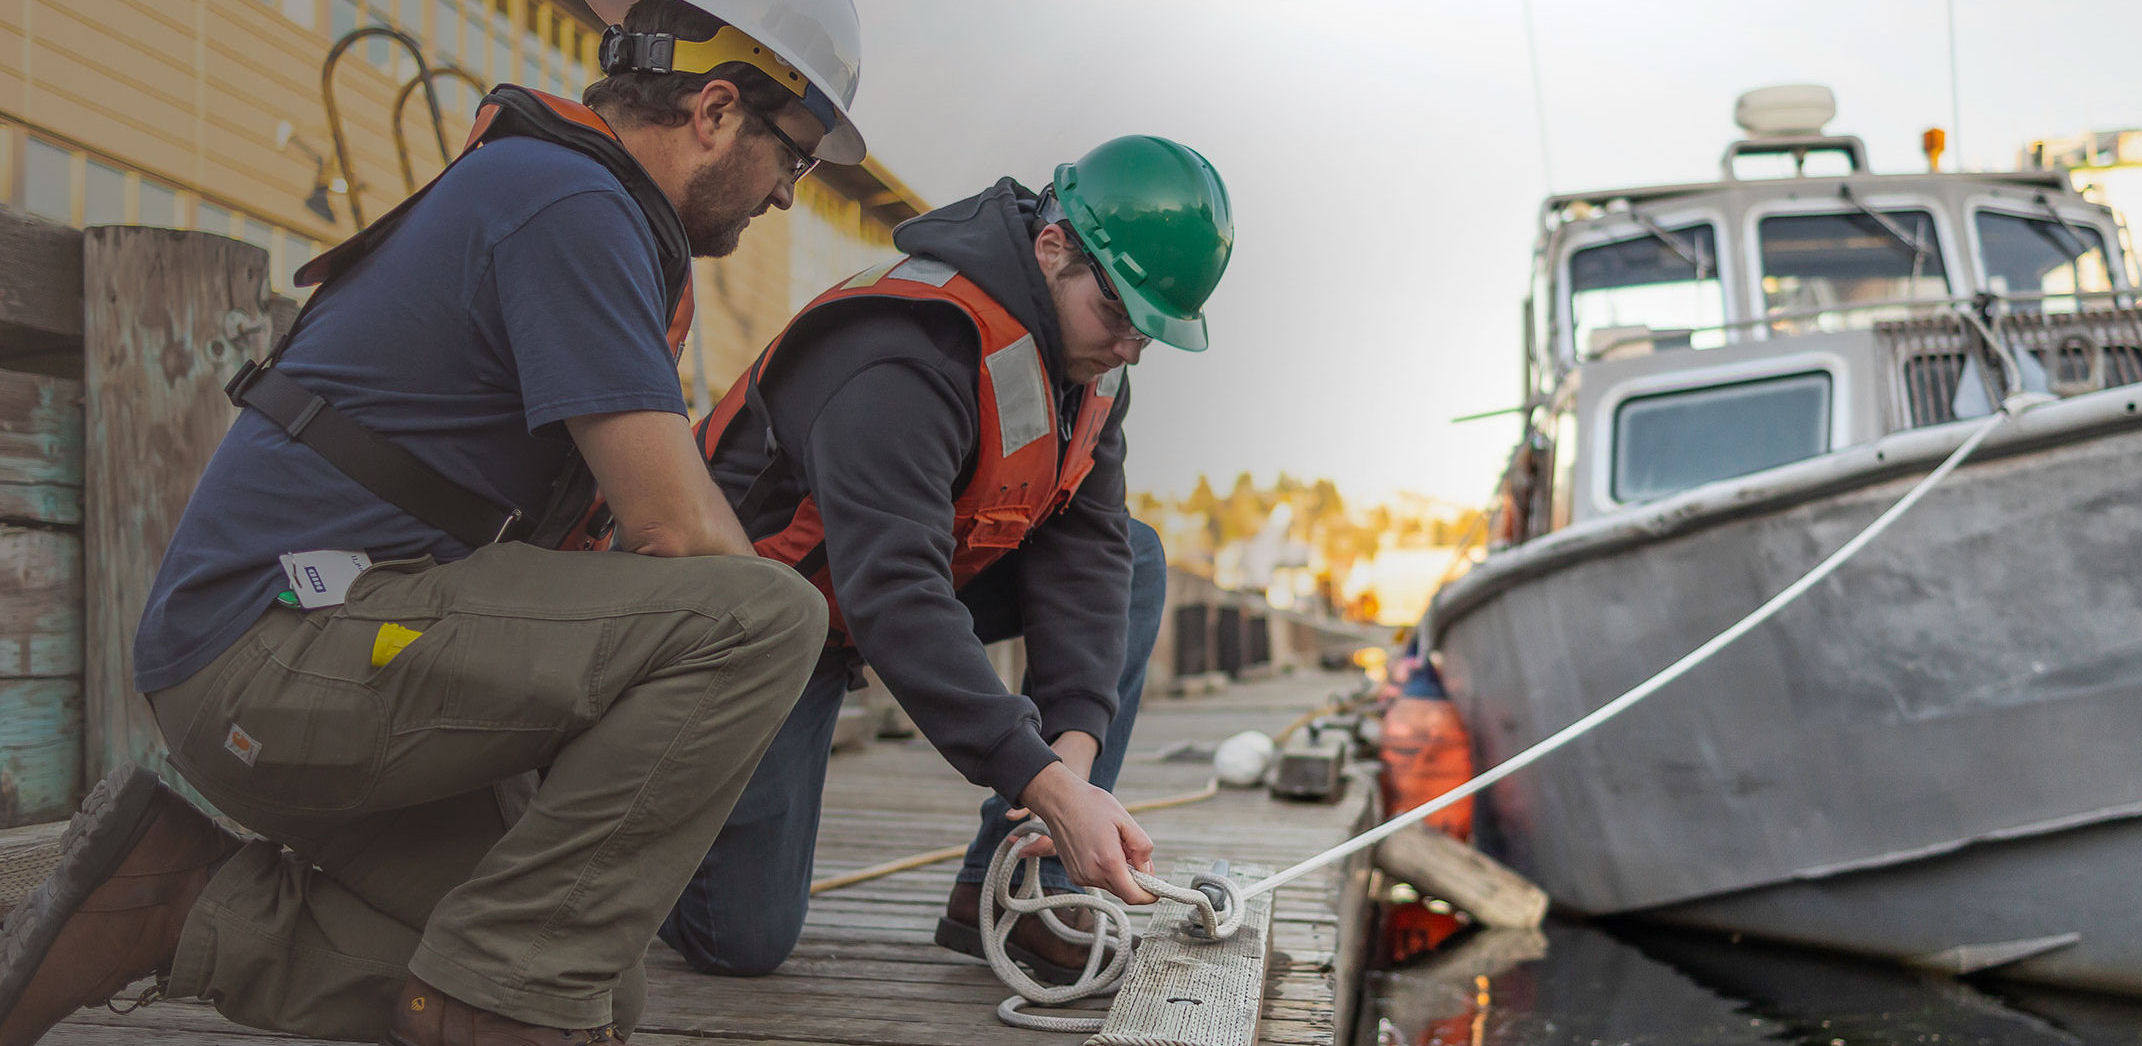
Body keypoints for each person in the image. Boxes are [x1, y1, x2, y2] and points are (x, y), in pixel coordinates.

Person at [0, 2, 867, 1043]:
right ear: (718, 110)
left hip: (315, 653)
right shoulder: (568, 202)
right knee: (766, 620)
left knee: (591, 990)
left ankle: (172, 904)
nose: (786, 193)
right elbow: (677, 533)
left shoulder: (563, 196)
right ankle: (499, 1004)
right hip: (278, 649)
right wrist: (740, 711)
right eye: (798, 159)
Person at [665, 135, 1234, 985]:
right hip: (749, 633)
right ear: (1053, 249)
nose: (1128, 351)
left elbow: (1088, 554)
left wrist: (1069, 767)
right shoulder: (903, 348)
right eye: (1119, 318)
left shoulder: (1096, 370)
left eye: (1150, 334)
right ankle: (610, 805)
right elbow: (896, 595)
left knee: (1137, 556)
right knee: (740, 941)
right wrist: (1039, 780)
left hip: (856, 609)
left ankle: (1013, 889)